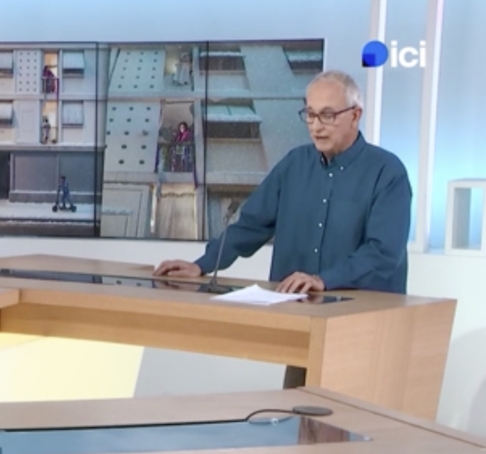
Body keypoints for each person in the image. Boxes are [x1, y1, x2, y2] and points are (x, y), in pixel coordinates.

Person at [154, 70, 412, 295]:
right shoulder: (294, 164)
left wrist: (325, 280)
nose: (316, 126)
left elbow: (383, 253)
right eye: (310, 114)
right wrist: (202, 264)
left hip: (361, 315)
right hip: (293, 307)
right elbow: (251, 225)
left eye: (327, 115)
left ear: (355, 116)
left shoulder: (387, 172)